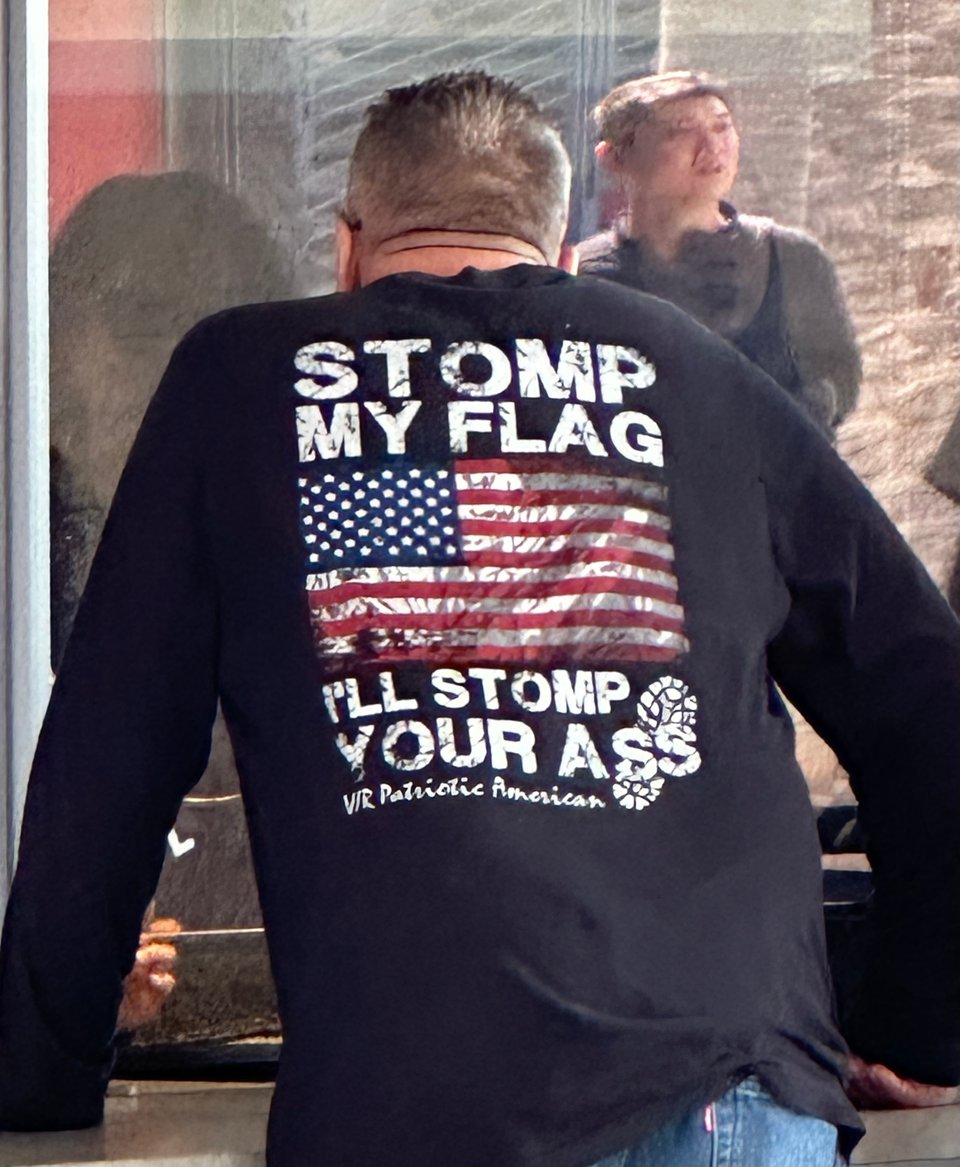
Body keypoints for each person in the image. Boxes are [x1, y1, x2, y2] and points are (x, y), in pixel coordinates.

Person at [1, 71, 958, 1167]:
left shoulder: (240, 378)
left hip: (407, 1107)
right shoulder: (698, 376)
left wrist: (44, 1068)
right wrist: (923, 1023)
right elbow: (928, 701)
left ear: (347, 247)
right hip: (725, 1098)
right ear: (557, 262)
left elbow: (109, 753)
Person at [578, 71, 861, 435]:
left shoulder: (792, 259)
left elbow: (838, 387)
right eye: (681, 130)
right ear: (615, 157)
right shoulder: (581, 275)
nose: (712, 147)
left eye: (722, 127)